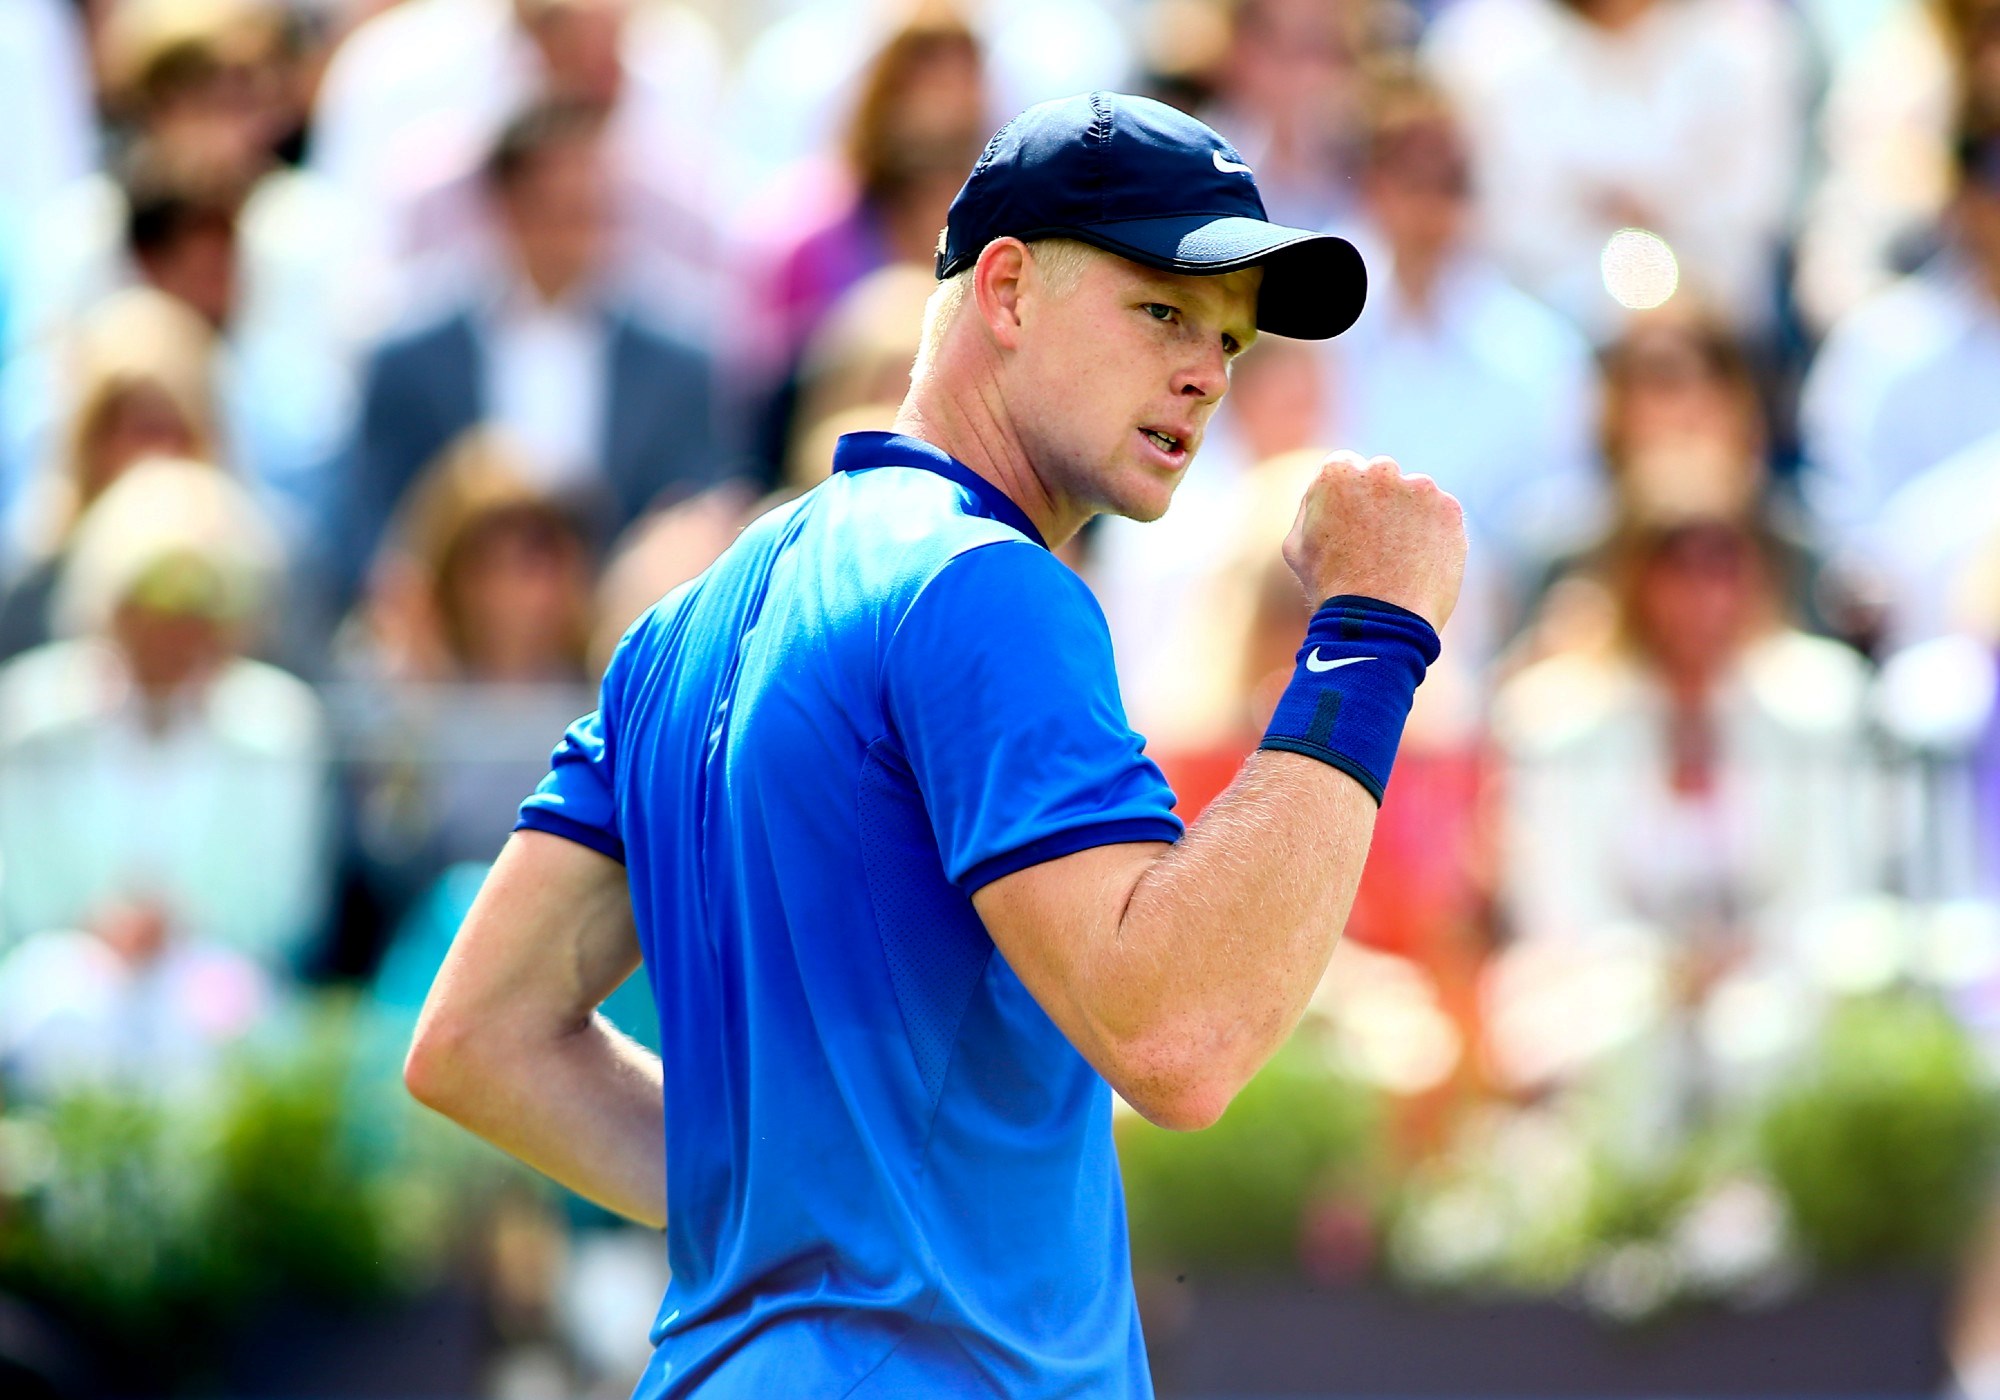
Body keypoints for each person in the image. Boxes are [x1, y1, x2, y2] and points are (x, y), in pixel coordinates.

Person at [405, 92, 1465, 1395]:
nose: (1206, 371)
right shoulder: (986, 586)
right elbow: (1182, 1038)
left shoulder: (684, 622)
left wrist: (813, 1232)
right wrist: (1370, 636)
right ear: (1007, 292)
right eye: (1163, 312)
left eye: (1231, 342)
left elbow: (480, 1042)